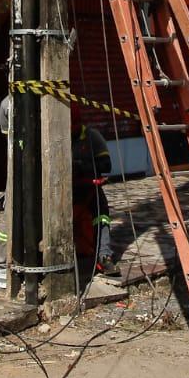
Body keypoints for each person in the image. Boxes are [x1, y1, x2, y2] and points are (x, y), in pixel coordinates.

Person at [70, 104, 114, 272]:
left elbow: (106, 164)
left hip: (88, 189)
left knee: (102, 212)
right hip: (62, 191)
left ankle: (103, 255)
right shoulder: (53, 134)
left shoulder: (92, 136)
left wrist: (82, 165)